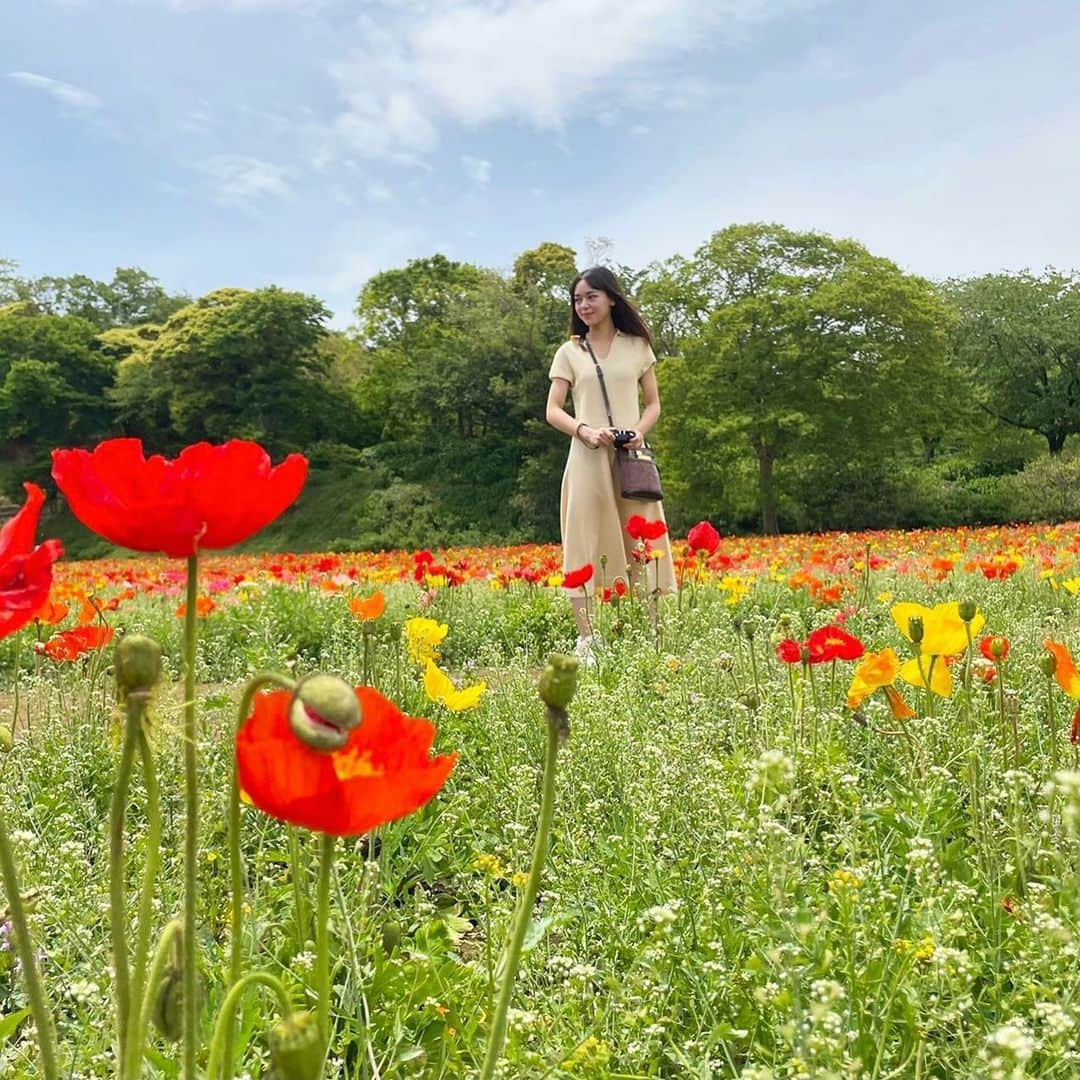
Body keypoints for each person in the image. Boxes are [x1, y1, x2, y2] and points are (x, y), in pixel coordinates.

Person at [545, 266, 675, 662]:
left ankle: (651, 635)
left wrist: (637, 430)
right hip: (586, 458)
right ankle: (588, 641)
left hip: (630, 457)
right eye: (577, 299)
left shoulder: (637, 347)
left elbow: (653, 404)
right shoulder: (569, 352)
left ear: (611, 298)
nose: (583, 305)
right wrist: (584, 430)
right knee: (583, 540)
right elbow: (553, 410)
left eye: (591, 297)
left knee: (644, 539)